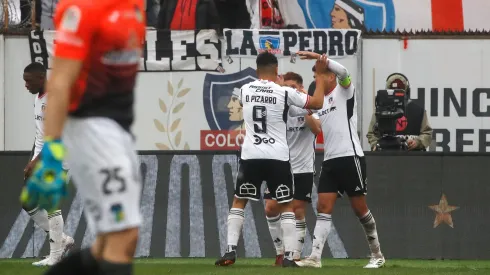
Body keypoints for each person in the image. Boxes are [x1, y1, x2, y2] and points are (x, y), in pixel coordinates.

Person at [21, 0, 146, 275]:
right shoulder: (80, 9)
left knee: (111, 241)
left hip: (118, 134)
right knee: (121, 239)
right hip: (91, 133)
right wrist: (52, 159)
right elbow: (62, 82)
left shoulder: (135, 8)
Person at [215, 51, 327, 267]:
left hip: (252, 154)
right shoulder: (284, 92)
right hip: (277, 156)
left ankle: (230, 251)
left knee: (239, 201)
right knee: (286, 206)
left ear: (257, 71)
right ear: (277, 71)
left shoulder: (245, 90)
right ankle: (288, 257)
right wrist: (320, 76)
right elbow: (317, 102)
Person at [295, 51, 385, 269]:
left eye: (321, 75)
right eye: (315, 76)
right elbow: (313, 123)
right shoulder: (320, 102)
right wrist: (298, 97)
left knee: (359, 208)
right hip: (330, 160)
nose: (317, 80)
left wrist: (320, 58)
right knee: (323, 206)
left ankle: (377, 255)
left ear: (331, 77)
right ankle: (315, 257)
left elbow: (344, 72)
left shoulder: (345, 91)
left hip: (350, 157)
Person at [263, 72, 321, 266]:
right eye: (285, 86)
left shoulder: (310, 108)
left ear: (300, 88)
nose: (289, 90)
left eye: (293, 87)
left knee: (297, 211)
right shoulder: (278, 109)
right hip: (279, 166)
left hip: (303, 167)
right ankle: (280, 252)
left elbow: (317, 129)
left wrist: (306, 107)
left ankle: (294, 255)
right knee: (271, 208)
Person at [22, 62, 75, 267]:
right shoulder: (38, 98)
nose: (25, 85)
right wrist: (32, 159)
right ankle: (61, 240)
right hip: (44, 154)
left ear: (42, 77)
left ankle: (56, 255)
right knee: (28, 202)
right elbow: (41, 135)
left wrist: (36, 161)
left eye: (28, 80)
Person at [366, 73, 433, 151]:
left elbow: (427, 133)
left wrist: (417, 142)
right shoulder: (380, 111)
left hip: (413, 158)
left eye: (399, 91)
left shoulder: (418, 111)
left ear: (406, 91)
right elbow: (372, 134)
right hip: (385, 158)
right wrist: (375, 145)